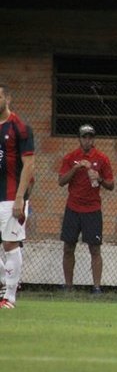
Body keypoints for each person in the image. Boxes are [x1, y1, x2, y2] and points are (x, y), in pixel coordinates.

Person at [59, 124, 114, 294]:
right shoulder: (71, 158)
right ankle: (69, 286)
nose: (87, 140)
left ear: (94, 139)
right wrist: (76, 168)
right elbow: (61, 181)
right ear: (79, 139)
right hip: (73, 208)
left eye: (90, 137)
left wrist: (99, 177)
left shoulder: (101, 159)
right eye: (84, 137)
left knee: (95, 248)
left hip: (92, 209)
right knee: (68, 247)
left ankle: (96, 287)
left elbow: (111, 185)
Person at [0, 83, 35, 309]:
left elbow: (29, 164)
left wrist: (21, 198)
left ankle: (9, 297)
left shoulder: (20, 127)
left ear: (8, 98)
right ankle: (5, 284)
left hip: (11, 196)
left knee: (10, 244)